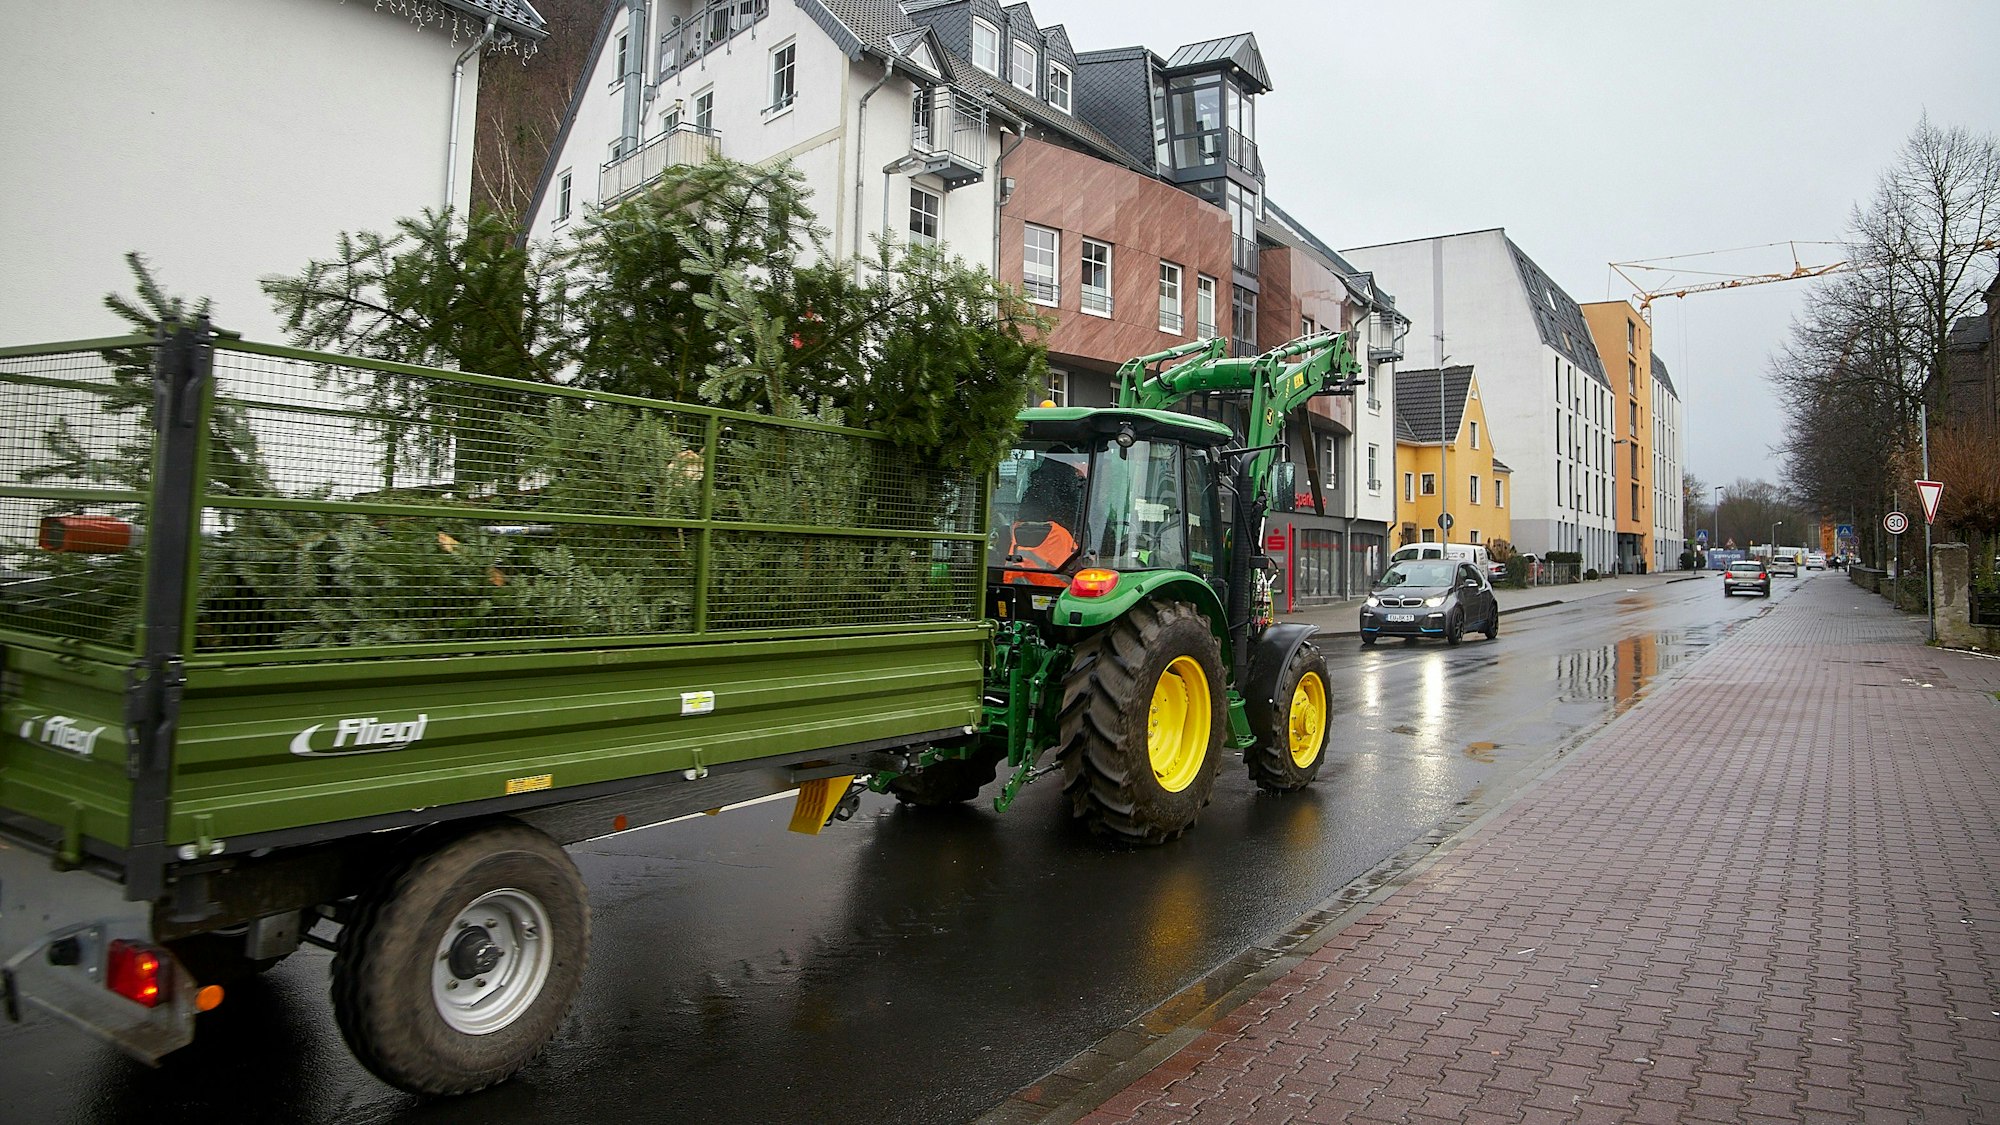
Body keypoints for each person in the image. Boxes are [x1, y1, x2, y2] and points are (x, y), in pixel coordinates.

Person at [1004, 459, 1084, 584]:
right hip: (1062, 580)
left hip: (1019, 578)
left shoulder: (1031, 491)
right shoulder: (1072, 494)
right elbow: (1082, 524)